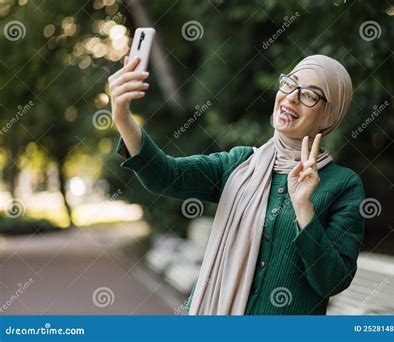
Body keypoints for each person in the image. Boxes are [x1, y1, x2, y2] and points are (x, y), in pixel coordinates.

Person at [108, 54, 365, 315]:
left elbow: (333, 281)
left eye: (309, 95)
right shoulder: (239, 164)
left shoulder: (343, 185)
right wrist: (123, 117)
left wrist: (304, 209)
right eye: (289, 83)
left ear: (329, 115)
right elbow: (166, 175)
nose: (291, 97)